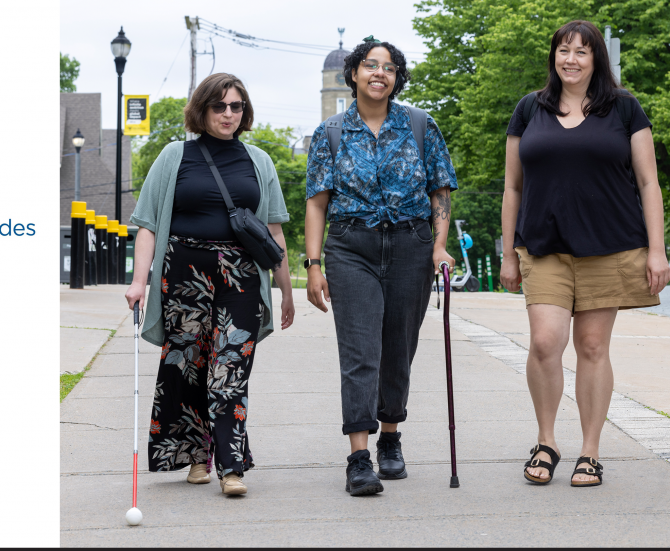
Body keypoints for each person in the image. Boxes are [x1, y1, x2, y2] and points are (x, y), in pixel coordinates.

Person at [501, 20, 669, 488]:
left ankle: (590, 451)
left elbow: (648, 182)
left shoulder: (624, 108)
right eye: (563, 50)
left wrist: (657, 250)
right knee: (544, 343)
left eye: (581, 51)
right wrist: (508, 251)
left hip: (610, 246)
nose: (570, 59)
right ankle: (547, 440)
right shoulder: (529, 109)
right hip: (543, 246)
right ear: (553, 56)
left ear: (597, 58)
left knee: (593, 348)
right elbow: (512, 186)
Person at [125, 72, 294, 497]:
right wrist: (138, 282)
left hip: (240, 276)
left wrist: (286, 289)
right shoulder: (173, 156)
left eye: (236, 106)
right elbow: (146, 225)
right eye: (219, 106)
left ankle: (231, 467)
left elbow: (273, 232)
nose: (228, 114)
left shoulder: (259, 161)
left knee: (230, 367)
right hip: (184, 274)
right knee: (187, 366)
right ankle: (197, 456)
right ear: (202, 109)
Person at [304, 40, 458, 496]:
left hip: (412, 245)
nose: (379, 73)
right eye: (370, 65)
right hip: (351, 246)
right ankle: (359, 457)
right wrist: (313, 265)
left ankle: (390, 438)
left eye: (389, 68)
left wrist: (439, 247)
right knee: (359, 351)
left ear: (396, 78)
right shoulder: (329, 133)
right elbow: (316, 204)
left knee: (398, 347)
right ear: (353, 74)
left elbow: (441, 191)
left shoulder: (420, 125)